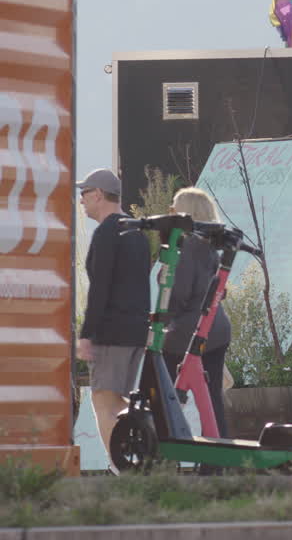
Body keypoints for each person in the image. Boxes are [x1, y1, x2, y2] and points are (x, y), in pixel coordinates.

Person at [76, 168, 151, 462]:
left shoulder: (107, 232)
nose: (81, 201)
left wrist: (86, 334)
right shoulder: (137, 233)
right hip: (134, 331)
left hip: (111, 332)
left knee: (103, 400)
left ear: (97, 194)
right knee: (117, 398)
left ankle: (122, 467)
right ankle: (143, 442)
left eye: (84, 194)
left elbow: (100, 289)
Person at [162, 187, 233, 438]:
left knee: (164, 394)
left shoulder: (186, 247)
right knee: (212, 402)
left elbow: (177, 296)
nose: (170, 210)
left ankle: (163, 453)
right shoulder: (211, 247)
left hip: (189, 332)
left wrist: (163, 321)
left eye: (174, 205)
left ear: (185, 211)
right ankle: (216, 460)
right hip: (216, 329)